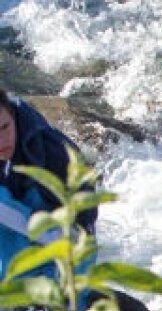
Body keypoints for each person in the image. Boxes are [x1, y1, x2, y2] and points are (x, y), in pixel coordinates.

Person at [0, 89, 97, 281]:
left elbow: (83, 229)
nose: (1, 141)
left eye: (4, 127)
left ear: (12, 115)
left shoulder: (55, 154)